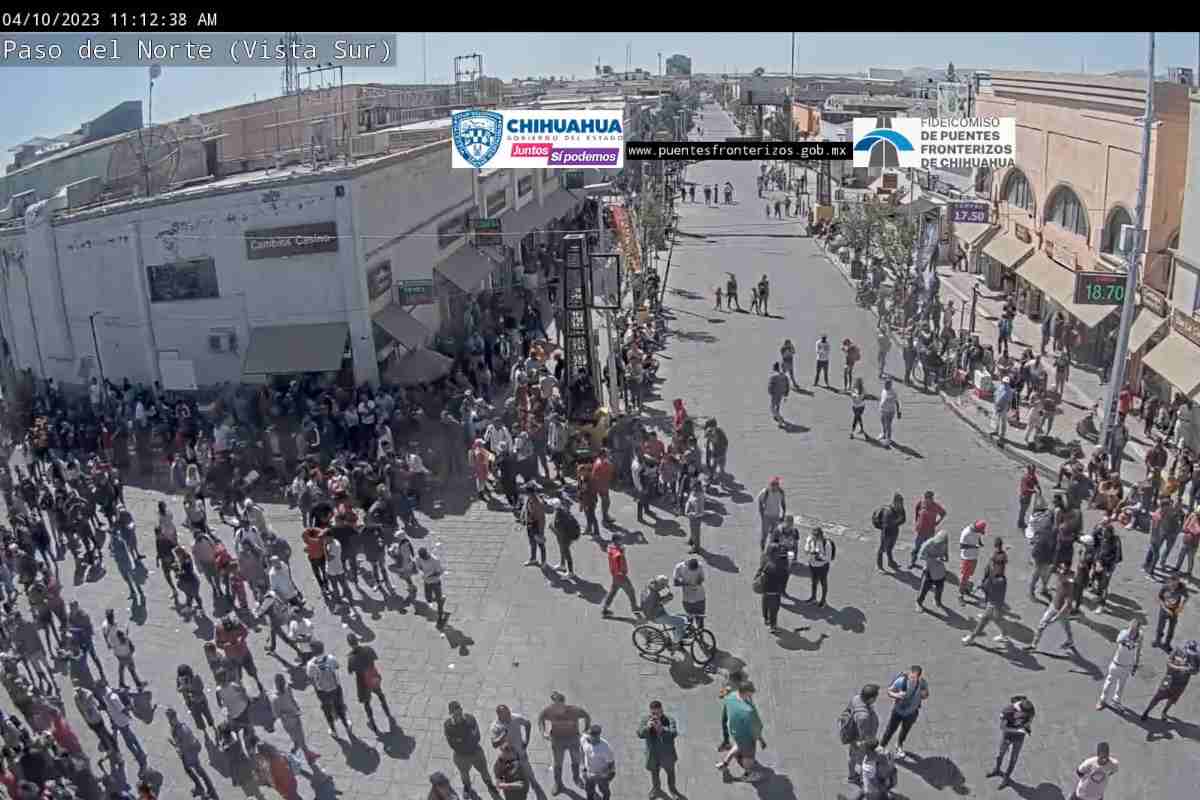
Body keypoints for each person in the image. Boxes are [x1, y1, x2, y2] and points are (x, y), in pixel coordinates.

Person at [538, 692, 590, 795]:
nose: (556, 708)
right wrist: (543, 732)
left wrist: (585, 730)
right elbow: (541, 719)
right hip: (557, 740)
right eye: (554, 705)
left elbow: (587, 716)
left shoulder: (574, 710)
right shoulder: (549, 711)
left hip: (573, 738)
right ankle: (558, 784)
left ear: (563, 703)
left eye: (558, 705)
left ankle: (576, 777)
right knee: (558, 763)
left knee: (576, 759)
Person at [445, 701, 498, 798]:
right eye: (455, 713)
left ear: (461, 710)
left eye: (459, 712)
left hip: (476, 752)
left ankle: (489, 784)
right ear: (451, 714)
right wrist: (467, 739)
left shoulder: (470, 719)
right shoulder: (448, 726)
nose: (458, 715)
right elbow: (452, 744)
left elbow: (477, 736)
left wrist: (460, 740)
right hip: (461, 756)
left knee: (484, 770)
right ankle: (467, 787)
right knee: (464, 773)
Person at [165, 707, 218, 799]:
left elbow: (184, 745)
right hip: (186, 755)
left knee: (199, 772)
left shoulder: (181, 730)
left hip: (189, 756)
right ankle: (201, 788)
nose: (169, 720)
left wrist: (174, 745)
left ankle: (208, 790)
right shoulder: (177, 727)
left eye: (169, 718)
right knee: (192, 772)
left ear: (173, 718)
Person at [962, 550, 1013, 647]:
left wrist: (983, 587)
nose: (993, 567)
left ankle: (970, 639)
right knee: (997, 620)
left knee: (983, 622)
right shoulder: (997, 576)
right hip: (994, 605)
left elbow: (992, 591)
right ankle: (1004, 634)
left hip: (993, 605)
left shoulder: (999, 580)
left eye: (994, 565)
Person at [1140, 640, 1199, 720]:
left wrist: (1190, 669)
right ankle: (1146, 711)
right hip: (1169, 679)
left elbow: (1195, 671)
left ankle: (1164, 712)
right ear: (1185, 648)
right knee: (1157, 697)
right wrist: (1180, 668)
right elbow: (1168, 663)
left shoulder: (1196, 657)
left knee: (1172, 699)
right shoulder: (1177, 650)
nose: (1189, 654)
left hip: (1181, 684)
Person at [306, 640, 354, 739]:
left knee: (327, 711)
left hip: (322, 692)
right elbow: (337, 666)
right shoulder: (331, 658)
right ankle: (347, 725)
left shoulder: (311, 664)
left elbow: (311, 678)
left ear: (313, 651)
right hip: (335, 687)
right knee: (340, 707)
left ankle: (333, 730)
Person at [347, 632, 393, 731]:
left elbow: (350, 671)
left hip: (363, 683)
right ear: (357, 640)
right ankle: (387, 710)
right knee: (380, 694)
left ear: (349, 644)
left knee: (367, 703)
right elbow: (375, 658)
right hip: (373, 677)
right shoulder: (368, 649)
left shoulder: (351, 658)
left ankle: (372, 721)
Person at [722, 681, 767, 783]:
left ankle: (724, 763)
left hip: (734, 731)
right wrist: (760, 739)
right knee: (748, 757)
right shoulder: (747, 711)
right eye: (751, 692)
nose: (752, 694)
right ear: (745, 692)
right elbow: (755, 727)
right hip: (746, 736)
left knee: (738, 745)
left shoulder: (731, 697)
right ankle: (748, 774)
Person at [879, 666, 928, 759]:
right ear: (909, 674)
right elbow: (889, 691)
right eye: (911, 676)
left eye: (914, 677)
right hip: (898, 711)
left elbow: (926, 694)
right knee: (890, 729)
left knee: (905, 730)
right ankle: (882, 746)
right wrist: (897, 695)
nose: (912, 679)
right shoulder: (901, 681)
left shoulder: (922, 683)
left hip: (912, 713)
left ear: (919, 677)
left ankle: (899, 745)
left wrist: (924, 694)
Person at [986, 696, 1035, 789]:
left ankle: (1006, 779)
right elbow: (1003, 727)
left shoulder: (1030, 710)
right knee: (1000, 754)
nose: (1024, 716)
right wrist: (1019, 730)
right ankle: (997, 769)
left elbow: (1030, 720)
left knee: (1013, 759)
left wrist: (1027, 726)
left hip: (1019, 738)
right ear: (1018, 709)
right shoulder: (1008, 711)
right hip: (1007, 735)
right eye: (1022, 714)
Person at [637, 700, 680, 798]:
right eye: (653, 713)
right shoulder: (646, 720)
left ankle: (672, 790)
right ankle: (656, 790)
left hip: (667, 755)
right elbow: (639, 734)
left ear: (662, 710)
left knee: (670, 774)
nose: (655, 716)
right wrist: (647, 728)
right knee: (654, 774)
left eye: (658, 713)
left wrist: (662, 728)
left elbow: (673, 733)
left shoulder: (669, 720)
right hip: (653, 755)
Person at [1026, 568, 1075, 652]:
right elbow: (1057, 591)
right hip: (1053, 606)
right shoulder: (1060, 580)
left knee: (1066, 626)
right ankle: (1034, 645)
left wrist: (1057, 616)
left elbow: (1067, 604)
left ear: (1066, 577)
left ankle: (1070, 641)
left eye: (1061, 575)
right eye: (1059, 574)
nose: (1059, 576)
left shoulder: (1069, 587)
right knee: (1042, 625)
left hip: (1062, 611)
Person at [1097, 619, 1142, 711]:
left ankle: (1116, 701)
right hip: (1116, 664)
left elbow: (1139, 650)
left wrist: (1136, 664)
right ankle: (1102, 700)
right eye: (1131, 628)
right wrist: (1128, 634)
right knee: (1108, 683)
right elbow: (1118, 640)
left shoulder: (1140, 635)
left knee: (1121, 685)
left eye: (1135, 628)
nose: (1133, 630)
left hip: (1128, 665)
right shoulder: (1124, 633)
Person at [845, 684, 880, 787]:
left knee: (852, 757)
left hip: (853, 737)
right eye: (875, 697)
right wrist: (868, 744)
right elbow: (863, 734)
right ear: (870, 699)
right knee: (858, 759)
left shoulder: (856, 698)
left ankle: (852, 775)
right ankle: (854, 777)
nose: (876, 699)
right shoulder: (863, 717)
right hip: (861, 742)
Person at [641, 574, 688, 646]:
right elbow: (655, 606)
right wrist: (666, 599)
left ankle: (677, 635)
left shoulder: (650, 586)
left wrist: (664, 598)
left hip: (651, 610)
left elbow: (655, 602)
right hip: (656, 616)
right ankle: (675, 643)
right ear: (660, 584)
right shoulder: (653, 595)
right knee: (680, 622)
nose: (663, 588)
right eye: (663, 586)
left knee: (677, 619)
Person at [601, 534, 638, 618]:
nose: (622, 541)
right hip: (621, 576)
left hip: (615, 576)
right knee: (631, 592)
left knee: (613, 592)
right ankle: (634, 608)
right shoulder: (617, 552)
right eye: (620, 540)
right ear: (616, 541)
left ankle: (605, 609)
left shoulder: (611, 548)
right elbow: (617, 558)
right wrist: (621, 572)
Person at [910, 491, 946, 570]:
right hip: (920, 532)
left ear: (932, 498)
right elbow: (916, 511)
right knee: (916, 548)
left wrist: (937, 522)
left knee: (929, 550)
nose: (928, 500)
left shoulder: (936, 506)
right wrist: (917, 521)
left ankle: (928, 566)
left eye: (930, 498)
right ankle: (912, 562)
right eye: (926, 498)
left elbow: (943, 513)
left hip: (930, 532)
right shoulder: (921, 503)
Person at [915, 529, 949, 611]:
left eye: (943, 542)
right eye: (940, 543)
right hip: (929, 569)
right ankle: (918, 603)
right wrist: (934, 559)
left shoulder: (944, 543)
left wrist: (946, 557)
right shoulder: (928, 544)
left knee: (940, 588)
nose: (941, 544)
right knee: (924, 589)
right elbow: (921, 556)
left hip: (940, 570)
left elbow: (945, 552)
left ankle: (937, 600)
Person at [580, 724, 616, 800]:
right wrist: (583, 766)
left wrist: (607, 776)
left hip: (601, 775)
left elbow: (611, 764)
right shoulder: (584, 740)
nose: (591, 737)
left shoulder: (605, 748)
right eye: (590, 735)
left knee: (605, 791)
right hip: (589, 773)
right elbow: (582, 750)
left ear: (599, 735)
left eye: (594, 736)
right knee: (589, 791)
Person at [1153, 575, 1188, 651]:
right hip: (1164, 609)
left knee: (1171, 629)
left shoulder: (1182, 588)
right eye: (1172, 585)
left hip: (1174, 610)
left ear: (1178, 582)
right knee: (1160, 627)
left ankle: (1167, 644)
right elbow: (1159, 598)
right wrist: (1165, 609)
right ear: (1169, 582)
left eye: (1175, 585)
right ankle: (1157, 641)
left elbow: (1186, 597)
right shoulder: (1165, 587)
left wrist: (1181, 606)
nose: (1173, 587)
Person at [874, 493, 907, 572]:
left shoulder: (901, 509)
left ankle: (890, 562)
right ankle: (879, 566)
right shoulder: (888, 512)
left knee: (890, 548)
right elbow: (886, 525)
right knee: (882, 549)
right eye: (899, 503)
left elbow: (903, 520)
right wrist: (896, 521)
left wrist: (897, 522)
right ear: (895, 502)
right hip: (886, 533)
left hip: (895, 531)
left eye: (902, 503)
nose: (901, 505)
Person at [805, 525, 836, 606]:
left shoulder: (827, 544)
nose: (814, 538)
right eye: (813, 535)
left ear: (820, 535)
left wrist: (819, 556)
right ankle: (813, 598)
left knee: (823, 582)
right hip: (812, 565)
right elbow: (806, 549)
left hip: (822, 567)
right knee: (814, 582)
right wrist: (808, 549)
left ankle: (823, 600)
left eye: (816, 536)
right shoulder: (810, 539)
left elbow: (828, 559)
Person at [417, 546, 447, 627]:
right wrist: (421, 572)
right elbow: (419, 566)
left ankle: (440, 617)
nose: (423, 558)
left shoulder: (435, 560)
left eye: (424, 556)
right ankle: (440, 600)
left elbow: (440, 572)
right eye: (422, 557)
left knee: (439, 601)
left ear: (427, 553)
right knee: (428, 599)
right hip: (426, 582)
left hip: (435, 582)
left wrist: (429, 575)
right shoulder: (419, 558)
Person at [673, 558, 706, 629]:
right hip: (687, 599)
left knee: (700, 619)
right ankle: (692, 636)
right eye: (692, 570)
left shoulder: (700, 566)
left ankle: (700, 636)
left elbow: (702, 578)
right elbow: (675, 582)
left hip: (700, 597)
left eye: (695, 570)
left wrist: (698, 582)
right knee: (689, 619)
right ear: (687, 565)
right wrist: (686, 584)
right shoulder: (679, 567)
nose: (694, 571)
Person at [757, 477, 787, 552]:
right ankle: (762, 551)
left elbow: (783, 504)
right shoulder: (765, 492)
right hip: (766, 516)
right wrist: (762, 516)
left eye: (776, 484)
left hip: (776, 516)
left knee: (774, 535)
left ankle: (771, 551)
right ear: (770, 485)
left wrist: (783, 515)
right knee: (764, 536)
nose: (775, 486)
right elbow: (760, 502)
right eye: (773, 484)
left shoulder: (781, 492)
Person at [959, 520, 985, 600]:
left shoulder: (977, 530)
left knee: (969, 574)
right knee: (964, 576)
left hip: (974, 557)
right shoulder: (966, 533)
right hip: (967, 558)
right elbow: (962, 546)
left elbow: (979, 536)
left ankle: (966, 588)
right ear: (976, 528)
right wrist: (974, 546)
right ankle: (960, 594)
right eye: (980, 531)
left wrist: (980, 542)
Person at [879, 378, 901, 448]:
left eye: (887, 384)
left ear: (890, 385)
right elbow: (882, 399)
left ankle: (888, 439)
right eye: (885, 384)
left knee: (888, 425)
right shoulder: (883, 390)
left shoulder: (893, 392)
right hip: (883, 410)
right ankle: (883, 434)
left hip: (890, 411)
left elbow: (897, 402)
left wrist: (898, 411)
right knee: (882, 422)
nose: (885, 385)